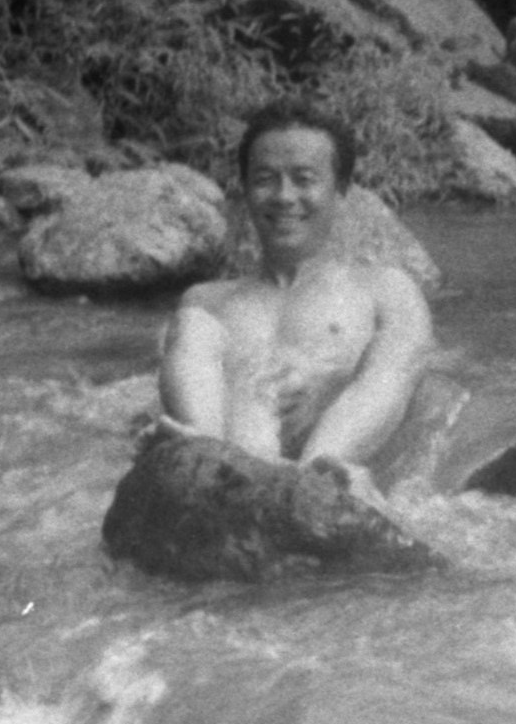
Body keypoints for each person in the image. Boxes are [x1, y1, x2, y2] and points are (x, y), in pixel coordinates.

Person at [157, 101, 434, 482]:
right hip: (230, 462)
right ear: (245, 190)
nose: (284, 197)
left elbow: (400, 369)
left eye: (304, 179)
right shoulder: (206, 302)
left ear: (341, 190)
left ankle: (319, 470)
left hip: (330, 459)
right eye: (265, 179)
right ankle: (205, 453)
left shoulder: (383, 289)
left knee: (401, 339)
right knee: (191, 322)